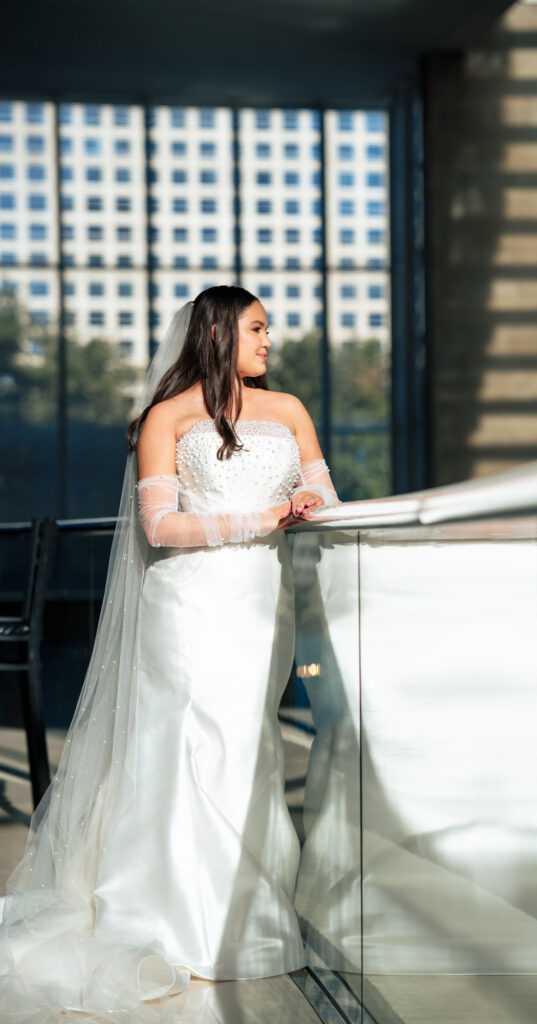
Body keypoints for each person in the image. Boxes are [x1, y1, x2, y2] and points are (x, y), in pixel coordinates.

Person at [0, 285, 341, 1018]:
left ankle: (243, 914)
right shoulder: (167, 417)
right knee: (184, 742)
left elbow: (324, 494)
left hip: (259, 604)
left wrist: (310, 505)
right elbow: (158, 527)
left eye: (268, 330)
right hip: (186, 606)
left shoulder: (287, 412)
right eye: (256, 328)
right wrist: (264, 515)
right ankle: (175, 918)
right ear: (217, 334)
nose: (268, 341)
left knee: (246, 743)